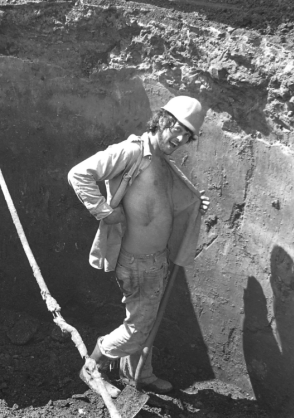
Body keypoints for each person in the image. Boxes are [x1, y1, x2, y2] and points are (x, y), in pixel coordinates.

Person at [68, 96, 210, 396]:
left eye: (188, 136)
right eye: (177, 129)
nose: (180, 138)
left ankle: (139, 374)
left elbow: (166, 204)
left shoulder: (161, 162)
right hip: (134, 263)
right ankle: (92, 367)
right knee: (138, 328)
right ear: (162, 120)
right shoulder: (132, 152)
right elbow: (79, 174)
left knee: (146, 322)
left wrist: (197, 204)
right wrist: (104, 212)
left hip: (156, 262)